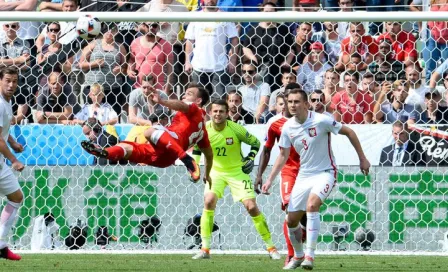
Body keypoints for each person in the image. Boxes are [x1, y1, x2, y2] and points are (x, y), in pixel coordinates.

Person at [261, 89, 370, 270]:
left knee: (312, 206)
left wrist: (362, 158)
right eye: (290, 102)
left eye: (297, 102)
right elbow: (282, 154)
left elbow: (349, 132)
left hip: (325, 172)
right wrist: (269, 179)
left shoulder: (321, 120)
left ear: (306, 104)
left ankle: (310, 256)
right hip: (304, 175)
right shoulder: (287, 127)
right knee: (291, 220)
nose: (293, 105)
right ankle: (298, 255)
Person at [191, 100, 280, 260]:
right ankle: (205, 249)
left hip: (237, 172)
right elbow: (197, 148)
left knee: (251, 206)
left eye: (221, 111)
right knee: (209, 201)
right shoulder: (204, 130)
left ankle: (271, 247)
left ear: (227, 113)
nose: (218, 114)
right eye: (215, 111)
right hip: (215, 172)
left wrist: (250, 158)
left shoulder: (235, 129)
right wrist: (195, 167)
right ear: (210, 113)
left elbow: (255, 143)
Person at [81, 84, 213, 182]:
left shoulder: (194, 109)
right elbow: (209, 155)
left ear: (198, 101)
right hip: (164, 155)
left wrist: (161, 101)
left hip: (172, 147)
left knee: (150, 131)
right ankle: (104, 153)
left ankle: (186, 159)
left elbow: (182, 105)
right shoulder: (203, 132)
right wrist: (207, 174)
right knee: (126, 147)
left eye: (189, 93)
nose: (184, 96)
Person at [255, 94, 304, 266]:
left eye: (290, 102)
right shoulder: (275, 124)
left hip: (308, 171)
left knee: (304, 217)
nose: (286, 106)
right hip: (288, 171)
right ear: (276, 106)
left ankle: (300, 249)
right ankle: (291, 255)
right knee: (290, 212)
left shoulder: (308, 120)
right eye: (282, 103)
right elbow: (267, 150)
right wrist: (260, 175)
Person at [0, 67, 26, 260]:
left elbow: (3, 133)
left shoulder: (7, 102)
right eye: (7, 80)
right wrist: (14, 160)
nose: (11, 85)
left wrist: (13, 142)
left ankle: (0, 243)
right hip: (3, 161)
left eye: (14, 81)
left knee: (16, 197)